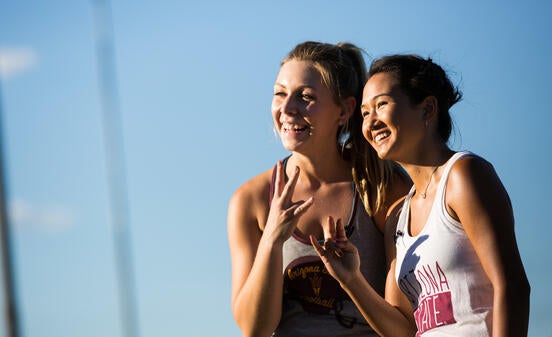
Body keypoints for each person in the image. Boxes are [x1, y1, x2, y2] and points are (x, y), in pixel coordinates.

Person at [311, 54, 531, 337]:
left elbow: (511, 286)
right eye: (365, 113)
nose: (371, 122)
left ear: (428, 109)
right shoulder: (397, 217)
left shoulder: (464, 176)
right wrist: (351, 280)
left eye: (381, 105)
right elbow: (403, 328)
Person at [227, 41, 410, 337]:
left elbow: (403, 326)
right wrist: (272, 239)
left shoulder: (381, 187)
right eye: (280, 94)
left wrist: (352, 279)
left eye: (305, 97)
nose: (287, 109)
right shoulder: (251, 200)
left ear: (344, 110)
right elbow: (255, 329)